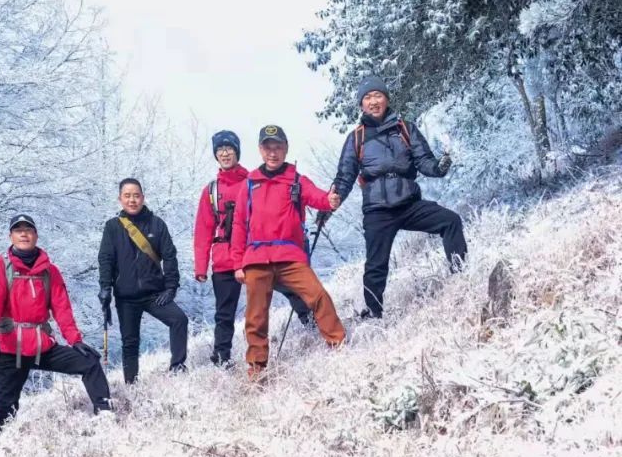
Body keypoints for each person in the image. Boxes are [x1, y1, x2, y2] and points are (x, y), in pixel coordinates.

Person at [331, 75, 467, 320]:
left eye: (378, 95)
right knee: (375, 266)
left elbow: (424, 160)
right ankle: (374, 314)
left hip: (409, 204)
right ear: (361, 104)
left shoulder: (405, 128)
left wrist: (439, 167)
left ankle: (461, 277)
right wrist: (328, 205)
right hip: (377, 211)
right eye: (368, 97)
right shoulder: (356, 138)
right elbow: (344, 177)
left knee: (451, 221)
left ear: (387, 99)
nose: (373, 101)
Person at [231, 126, 346, 381]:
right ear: (261, 150)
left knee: (317, 296)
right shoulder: (249, 183)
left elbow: (318, 198)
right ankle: (256, 369)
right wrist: (237, 263)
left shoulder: (297, 180)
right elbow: (239, 224)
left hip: (290, 255)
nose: (273, 153)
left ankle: (338, 345)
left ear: (286, 149)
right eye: (268, 147)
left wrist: (330, 200)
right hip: (256, 258)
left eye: (278, 147)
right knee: (256, 316)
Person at [193, 131, 313, 367]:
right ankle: (222, 359)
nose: (225, 153)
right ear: (216, 155)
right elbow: (203, 230)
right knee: (224, 313)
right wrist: (200, 266)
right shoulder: (211, 191)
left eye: (229, 149)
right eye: (220, 150)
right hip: (224, 261)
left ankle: (311, 321)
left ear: (237, 152)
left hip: (256, 255)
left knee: (290, 287)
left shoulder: (254, 180)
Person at [0, 214, 112, 426]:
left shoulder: (50, 271)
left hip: (41, 345)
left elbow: (62, 308)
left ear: (36, 235)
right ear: (11, 236)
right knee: (6, 406)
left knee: (90, 362)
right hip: (9, 347)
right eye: (18, 230)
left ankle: (106, 414)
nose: (24, 234)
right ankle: (2, 447)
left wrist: (75, 340)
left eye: (28, 230)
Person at [98, 178, 187, 384]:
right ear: (120, 199)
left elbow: (170, 256)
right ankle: (131, 384)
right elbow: (106, 259)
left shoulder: (157, 224)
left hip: (154, 293)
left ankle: (178, 368)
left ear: (143, 197)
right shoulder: (112, 227)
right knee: (130, 342)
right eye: (127, 196)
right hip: (126, 296)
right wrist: (105, 288)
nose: (132, 200)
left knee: (179, 320)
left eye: (136, 195)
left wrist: (171, 287)